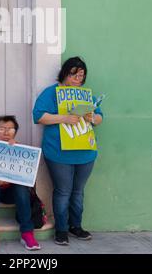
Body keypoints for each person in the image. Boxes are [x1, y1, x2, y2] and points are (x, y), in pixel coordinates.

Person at [33, 56, 103, 246]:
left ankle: (76, 226)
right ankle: (61, 229)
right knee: (63, 191)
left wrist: (92, 117)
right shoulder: (51, 93)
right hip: (58, 152)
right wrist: (64, 118)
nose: (78, 78)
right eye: (74, 74)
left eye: (81, 75)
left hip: (85, 152)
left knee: (78, 192)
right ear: (64, 73)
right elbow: (39, 116)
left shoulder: (87, 96)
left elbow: (100, 118)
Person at [0, 115, 41, 251]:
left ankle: (27, 233)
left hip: (10, 193)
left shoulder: (20, 149)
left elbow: (27, 178)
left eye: (10, 129)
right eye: (2, 129)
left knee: (22, 188)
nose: (6, 132)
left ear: (15, 131)